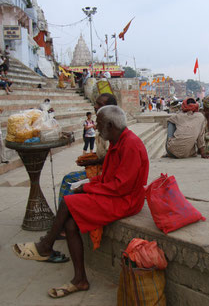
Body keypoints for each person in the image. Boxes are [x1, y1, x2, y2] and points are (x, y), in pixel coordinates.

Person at [12, 105, 149, 298]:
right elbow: (107, 177)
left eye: (99, 124)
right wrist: (89, 182)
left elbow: (121, 186)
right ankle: (80, 280)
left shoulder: (131, 145)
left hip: (127, 200)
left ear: (110, 125)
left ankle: (45, 246)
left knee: (68, 202)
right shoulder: (118, 141)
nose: (96, 127)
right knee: (69, 223)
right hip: (117, 195)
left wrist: (88, 188)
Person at [58, 93, 117, 205]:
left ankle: (67, 209)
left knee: (68, 179)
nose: (95, 106)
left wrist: (92, 161)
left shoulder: (112, 127)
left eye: (99, 104)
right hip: (101, 168)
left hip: (106, 173)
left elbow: (111, 156)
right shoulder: (104, 123)